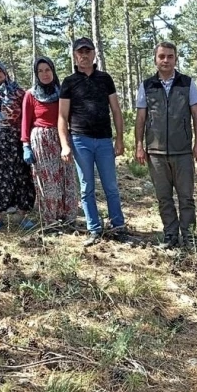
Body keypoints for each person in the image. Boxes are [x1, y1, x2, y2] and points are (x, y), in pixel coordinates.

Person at [134, 42, 197, 249]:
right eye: (162, 56)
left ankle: (190, 236)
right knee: (164, 197)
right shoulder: (146, 86)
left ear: (176, 59)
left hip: (182, 150)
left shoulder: (187, 83)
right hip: (155, 152)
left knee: (186, 197)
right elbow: (141, 118)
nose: (166, 60)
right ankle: (170, 235)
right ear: (155, 59)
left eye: (170, 56)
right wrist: (139, 145)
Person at [58, 37, 126, 247]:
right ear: (75, 56)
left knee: (111, 186)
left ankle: (118, 227)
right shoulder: (69, 82)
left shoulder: (105, 79)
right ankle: (94, 229)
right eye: (80, 52)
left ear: (94, 54)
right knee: (86, 187)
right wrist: (65, 144)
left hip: (104, 140)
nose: (84, 55)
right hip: (80, 141)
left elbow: (115, 110)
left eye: (88, 51)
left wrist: (120, 139)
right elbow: (62, 116)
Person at [0, 61, 36, 230]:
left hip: (14, 142)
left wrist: (28, 142)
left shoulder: (19, 92)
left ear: (5, 72)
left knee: (20, 178)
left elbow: (27, 116)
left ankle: (22, 216)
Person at [21, 57, 79, 227]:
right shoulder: (30, 95)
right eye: (40, 71)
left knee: (66, 178)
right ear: (36, 74)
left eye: (47, 70)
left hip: (62, 139)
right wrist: (25, 145)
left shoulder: (62, 92)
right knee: (47, 181)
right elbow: (25, 121)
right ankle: (50, 220)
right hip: (41, 140)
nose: (44, 74)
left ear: (53, 71)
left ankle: (68, 218)